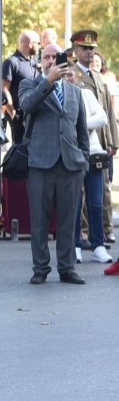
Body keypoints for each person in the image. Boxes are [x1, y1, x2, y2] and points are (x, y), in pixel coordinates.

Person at [19, 44, 89, 284]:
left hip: (71, 165)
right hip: (40, 162)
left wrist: (84, 162)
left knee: (69, 221)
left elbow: (82, 132)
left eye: (55, 56)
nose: (51, 60)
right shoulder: (29, 85)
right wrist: (47, 81)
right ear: (40, 61)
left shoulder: (75, 92)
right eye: (46, 57)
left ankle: (67, 268)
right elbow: (27, 106)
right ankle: (40, 269)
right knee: (39, 220)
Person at [70, 30, 117, 246]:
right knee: (79, 192)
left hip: (99, 143)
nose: (90, 52)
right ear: (75, 50)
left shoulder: (98, 76)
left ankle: (105, 230)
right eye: (85, 48)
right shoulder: (72, 76)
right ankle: (83, 234)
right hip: (80, 142)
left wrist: (113, 142)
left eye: (92, 48)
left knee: (102, 192)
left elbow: (107, 111)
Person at [66, 66, 111, 264]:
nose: (68, 78)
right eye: (65, 74)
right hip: (72, 155)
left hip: (93, 154)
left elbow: (102, 117)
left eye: (71, 75)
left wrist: (82, 125)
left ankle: (98, 245)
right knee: (75, 203)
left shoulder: (85, 93)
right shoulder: (58, 95)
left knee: (95, 201)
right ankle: (75, 245)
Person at [1, 30, 40, 145]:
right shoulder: (11, 62)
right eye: (38, 43)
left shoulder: (34, 63)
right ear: (30, 43)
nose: (39, 46)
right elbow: (4, 89)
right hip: (20, 116)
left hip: (35, 115)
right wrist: (14, 113)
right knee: (20, 150)